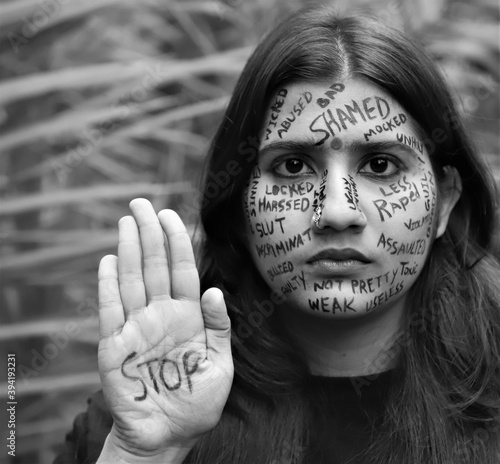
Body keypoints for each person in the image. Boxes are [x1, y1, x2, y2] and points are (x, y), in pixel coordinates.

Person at [55, 6, 500, 464]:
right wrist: (145, 453)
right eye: (292, 166)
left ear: (444, 200)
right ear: (239, 204)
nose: (337, 212)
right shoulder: (145, 408)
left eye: (380, 165)